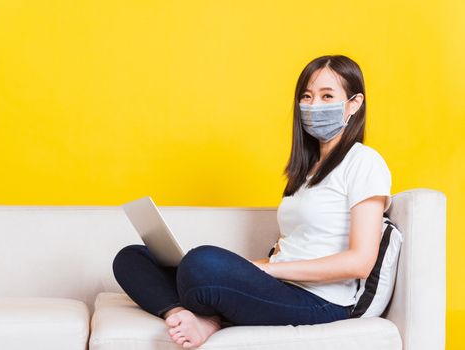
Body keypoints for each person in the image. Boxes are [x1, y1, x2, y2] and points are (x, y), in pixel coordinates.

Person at [112, 54, 392, 349]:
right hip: (280, 285)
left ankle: (209, 313)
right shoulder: (305, 172)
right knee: (131, 258)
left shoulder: (364, 162)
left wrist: (267, 270)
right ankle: (185, 314)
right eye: (307, 97)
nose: (314, 106)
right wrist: (250, 267)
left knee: (201, 263)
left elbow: (360, 262)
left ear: (354, 103)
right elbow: (293, 248)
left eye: (327, 96)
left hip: (322, 301)